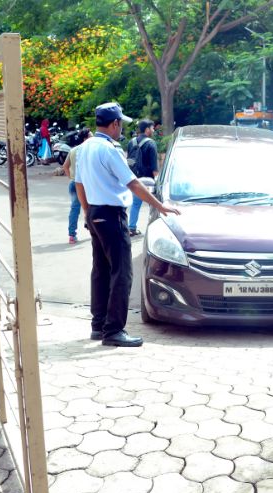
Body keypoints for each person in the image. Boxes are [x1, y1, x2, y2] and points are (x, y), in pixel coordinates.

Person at [74, 102, 180, 347]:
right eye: (120, 123)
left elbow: (79, 184)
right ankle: (113, 331)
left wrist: (88, 212)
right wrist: (160, 206)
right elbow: (132, 183)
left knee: (100, 271)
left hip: (95, 212)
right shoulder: (110, 150)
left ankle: (98, 326)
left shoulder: (85, 147)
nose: (121, 128)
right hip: (111, 215)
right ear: (114, 124)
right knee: (122, 272)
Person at [128, 119, 159, 237]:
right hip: (149, 181)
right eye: (152, 128)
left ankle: (131, 228)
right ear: (147, 129)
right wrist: (158, 182)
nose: (153, 130)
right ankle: (155, 228)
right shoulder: (151, 143)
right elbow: (154, 168)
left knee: (135, 204)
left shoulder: (131, 142)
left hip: (135, 180)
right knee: (154, 204)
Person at [63, 127, 92, 244]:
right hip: (86, 184)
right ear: (85, 138)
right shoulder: (89, 150)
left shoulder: (73, 150)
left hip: (74, 183)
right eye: (91, 136)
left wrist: (71, 177)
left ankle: (72, 235)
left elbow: (65, 166)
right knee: (91, 207)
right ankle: (93, 230)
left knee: (75, 209)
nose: (93, 138)